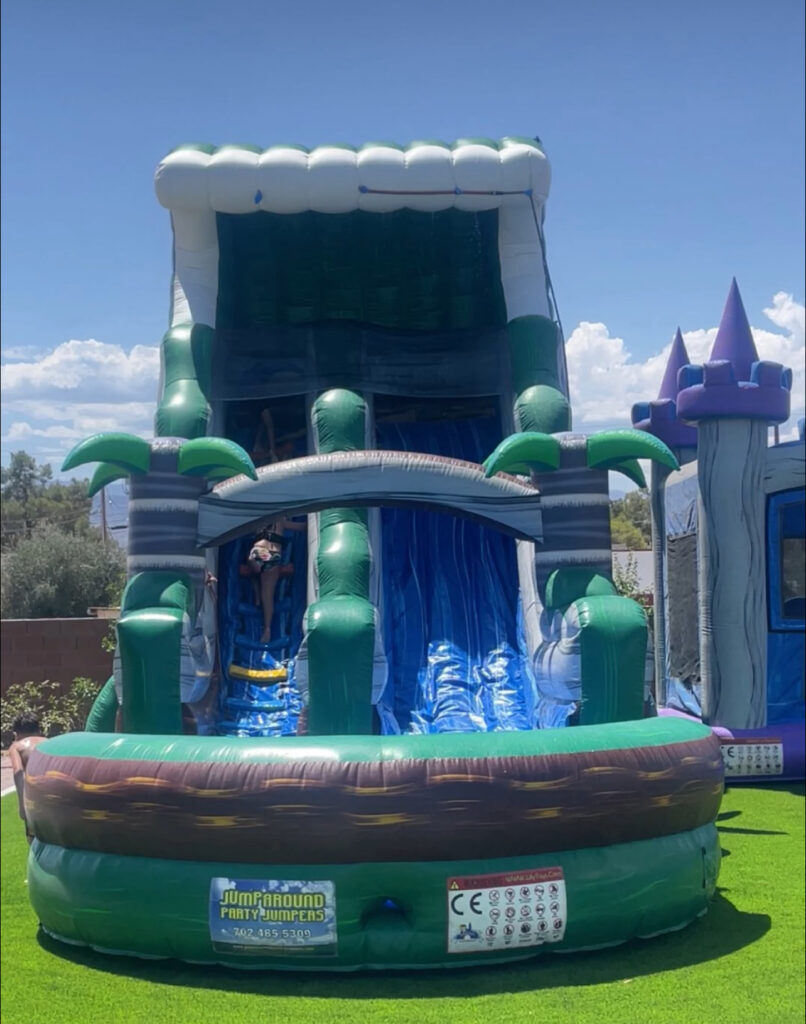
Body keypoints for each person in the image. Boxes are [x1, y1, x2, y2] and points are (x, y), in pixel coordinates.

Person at [248, 517, 306, 643]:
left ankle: (256, 589)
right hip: (274, 557)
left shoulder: (258, 521)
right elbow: (302, 527)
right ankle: (267, 629)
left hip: (260, 552)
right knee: (267, 594)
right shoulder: (280, 521)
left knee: (252, 563)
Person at [8, 714, 47, 844]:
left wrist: (22, 805)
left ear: (16, 734)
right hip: (56, 792)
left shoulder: (17, 746)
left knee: (34, 840)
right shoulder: (50, 742)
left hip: (35, 794)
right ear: (39, 730)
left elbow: (18, 773)